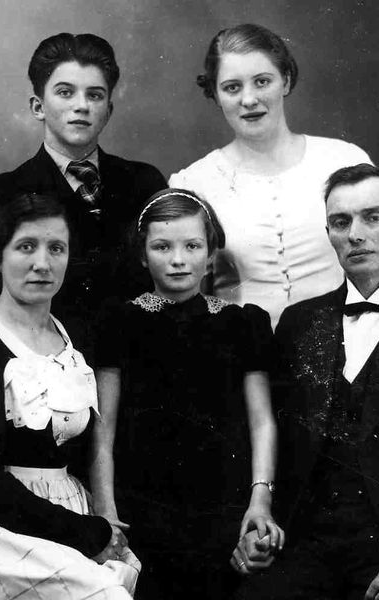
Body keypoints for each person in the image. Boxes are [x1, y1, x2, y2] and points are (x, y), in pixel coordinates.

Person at [234, 163, 379, 600]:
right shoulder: (300, 323)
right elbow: (271, 438)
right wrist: (260, 524)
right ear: (329, 233)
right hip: (307, 546)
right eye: (341, 222)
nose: (355, 234)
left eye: (372, 217)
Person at [91, 188, 282, 599]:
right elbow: (103, 430)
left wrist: (260, 500)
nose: (178, 259)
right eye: (162, 247)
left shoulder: (241, 324)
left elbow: (261, 422)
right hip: (141, 510)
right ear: (143, 255)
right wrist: (105, 509)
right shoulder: (120, 320)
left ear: (210, 253)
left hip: (223, 508)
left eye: (192, 246)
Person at [170, 23, 372, 328]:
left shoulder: (344, 160)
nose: (249, 99)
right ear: (215, 94)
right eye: (232, 87)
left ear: (286, 81)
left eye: (262, 81)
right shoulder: (192, 183)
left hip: (346, 343)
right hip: (242, 350)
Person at [0, 192, 140, 599]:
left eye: (56, 248)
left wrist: (100, 519)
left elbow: (97, 443)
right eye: (26, 247)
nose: (43, 263)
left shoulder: (76, 338)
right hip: (4, 526)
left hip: (73, 508)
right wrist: (84, 533)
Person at [0, 32, 166, 360]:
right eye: (65, 92)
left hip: (141, 362)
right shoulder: (2, 194)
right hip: (48, 366)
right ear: (38, 107)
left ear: (108, 110)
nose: (81, 106)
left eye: (94, 95)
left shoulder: (144, 182)